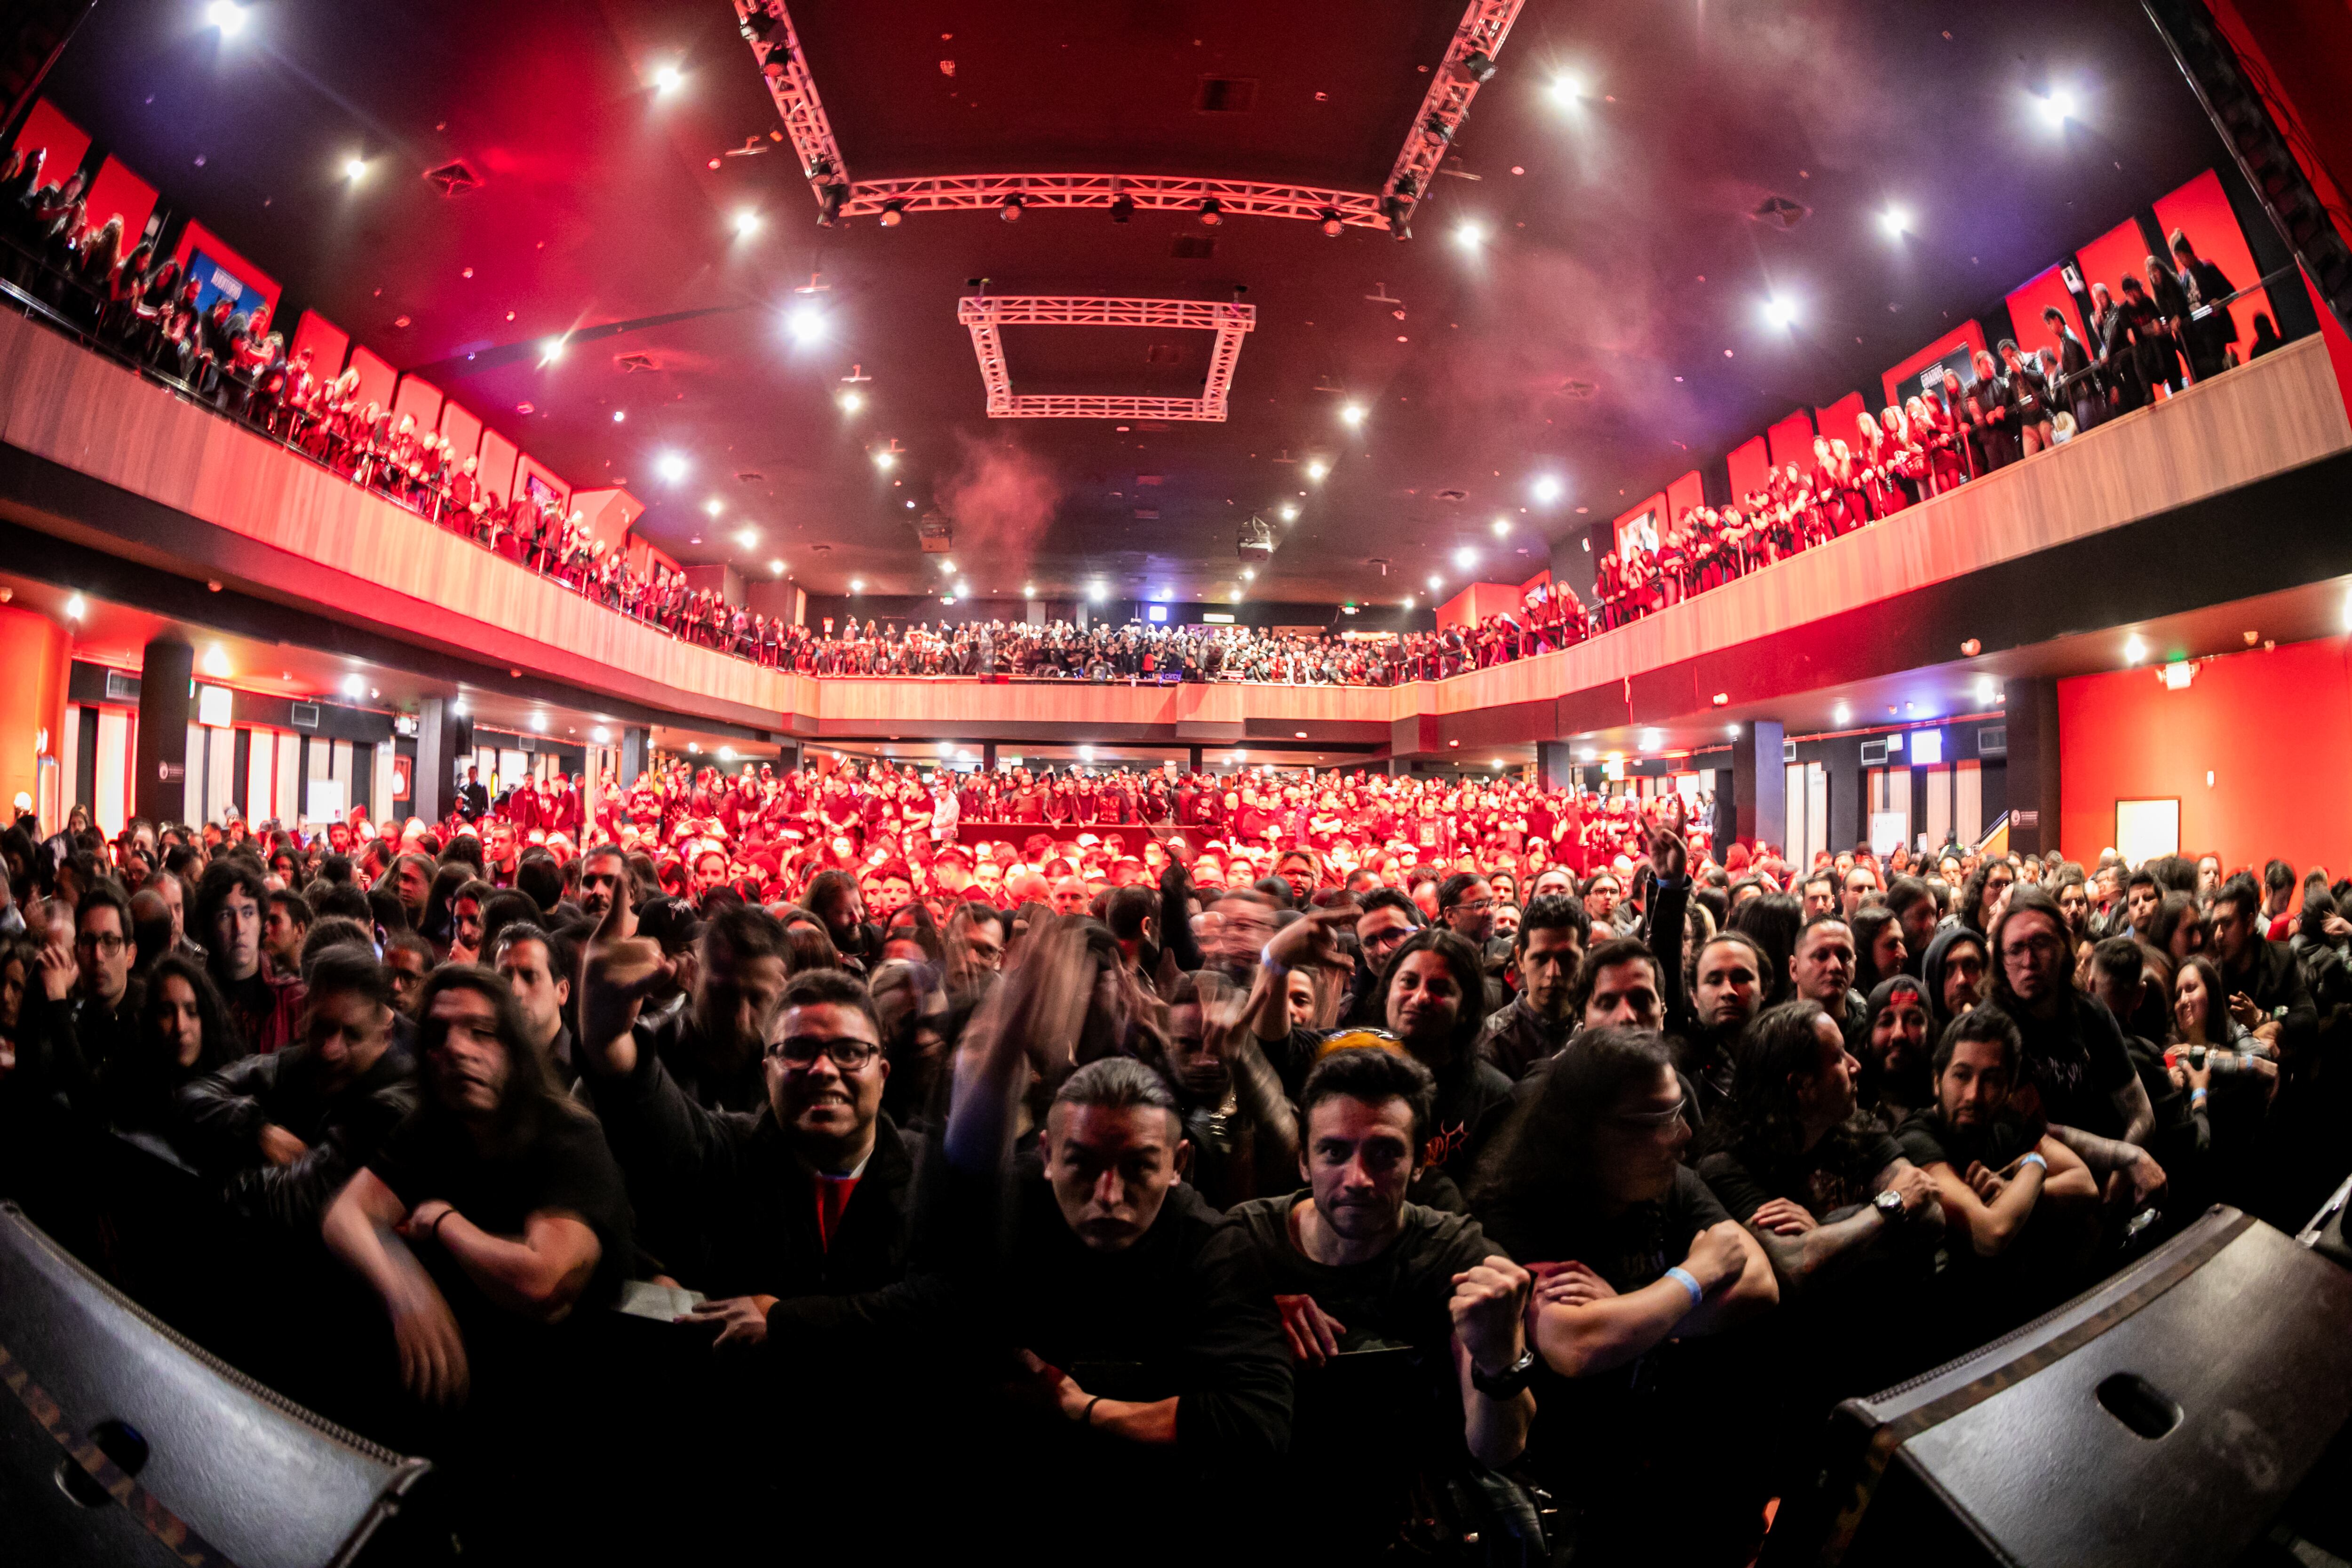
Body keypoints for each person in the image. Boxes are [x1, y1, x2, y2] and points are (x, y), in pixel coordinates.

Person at [932, 917, 1292, 1544]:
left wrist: (1084, 1409)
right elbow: (960, 1175)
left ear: (1179, 1165)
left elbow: (1257, 1421)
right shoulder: (1014, 1211)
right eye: (1082, 1165)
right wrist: (1009, 1023)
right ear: (1046, 1155)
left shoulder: (1216, 1244)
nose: (1108, 1196)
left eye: (1137, 1168)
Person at [320, 963, 634, 1553]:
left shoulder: (566, 1135)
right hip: (467, 1438)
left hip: (566, 1445)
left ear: (515, 1047)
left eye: (481, 1033)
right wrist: (406, 1289)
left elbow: (543, 1284)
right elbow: (346, 1216)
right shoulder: (433, 1127)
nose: (455, 1049)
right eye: (438, 1035)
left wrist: (446, 1224)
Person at [1473, 1027, 1777, 1564]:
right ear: (1589, 1133)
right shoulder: (1513, 1215)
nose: (1685, 1134)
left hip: (1671, 1484)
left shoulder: (1669, 1184)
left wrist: (1636, 1311)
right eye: (1661, 1120)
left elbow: (1758, 1281)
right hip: (1576, 1506)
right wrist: (1694, 1275)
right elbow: (1576, 1344)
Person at [1232, 1045, 1536, 1553]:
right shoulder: (1244, 1243)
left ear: (1420, 1164)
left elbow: (1498, 1448)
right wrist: (1249, 1325)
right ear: (1302, 1162)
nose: (1357, 1179)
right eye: (1333, 1152)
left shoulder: (1458, 1257)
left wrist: (1496, 1356)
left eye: (1384, 1153)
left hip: (1403, 1519)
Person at [177, 944, 416, 1232]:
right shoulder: (298, 1062)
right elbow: (194, 1094)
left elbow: (296, 1198)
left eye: (352, 1034)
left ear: (384, 1036)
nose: (331, 1049)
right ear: (304, 1016)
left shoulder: (393, 1106)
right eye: (321, 1027)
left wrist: (211, 1182)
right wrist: (259, 1130)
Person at [1894, 1008, 2098, 1335]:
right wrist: (2033, 1167)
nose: (1974, 1095)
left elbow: (2086, 1186)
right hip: (1943, 1336)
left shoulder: (2005, 1123)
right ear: (1937, 1080)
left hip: (2017, 1320)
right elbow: (1991, 1233)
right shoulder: (1917, 1139)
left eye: (1991, 1079)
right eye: (1961, 1075)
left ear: (2008, 1090)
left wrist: (2013, 1190)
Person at [197, 861, 306, 1055]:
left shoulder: (292, 997)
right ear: (209, 926)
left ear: (261, 921)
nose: (239, 928)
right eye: (225, 915)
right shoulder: (195, 997)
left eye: (248, 913)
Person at [1479, 892, 1586, 1081]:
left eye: (1566, 959)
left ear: (1585, 958)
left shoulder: (1595, 1029)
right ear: (1520, 959)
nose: (1553, 973)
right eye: (1541, 959)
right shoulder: (1491, 1041)